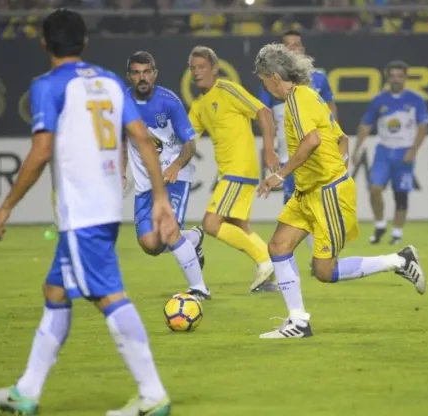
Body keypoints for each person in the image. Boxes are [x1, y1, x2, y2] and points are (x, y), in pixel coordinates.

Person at [0, 9, 173, 416]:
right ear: (84, 43)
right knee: (55, 291)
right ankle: (26, 392)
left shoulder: (47, 86)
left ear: (44, 43)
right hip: (103, 206)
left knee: (107, 296)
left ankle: (153, 395)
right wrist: (161, 199)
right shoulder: (110, 81)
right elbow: (143, 140)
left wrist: (5, 207)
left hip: (82, 214)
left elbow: (42, 151)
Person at [254, 44, 426, 339]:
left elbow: (312, 140)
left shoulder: (297, 100)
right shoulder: (309, 97)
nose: (264, 86)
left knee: (324, 272)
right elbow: (341, 137)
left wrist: (280, 174)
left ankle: (400, 260)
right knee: (278, 247)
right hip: (309, 191)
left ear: (274, 76)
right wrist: (338, 164)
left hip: (327, 194)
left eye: (263, 80)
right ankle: (298, 321)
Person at [187, 45, 279, 293]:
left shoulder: (227, 89)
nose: (196, 72)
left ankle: (264, 260)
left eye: (202, 67)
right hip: (228, 171)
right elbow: (187, 141)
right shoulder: (198, 105)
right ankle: (272, 275)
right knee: (239, 227)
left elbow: (263, 111)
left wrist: (269, 150)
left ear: (214, 69)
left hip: (239, 168)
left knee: (211, 224)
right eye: (193, 68)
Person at [124, 50, 211, 300]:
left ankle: (199, 289)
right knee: (151, 245)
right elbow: (121, 139)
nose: (142, 77)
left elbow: (190, 144)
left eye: (146, 72)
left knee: (167, 230)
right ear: (130, 76)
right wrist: (120, 172)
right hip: (144, 187)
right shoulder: (122, 103)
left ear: (154, 74)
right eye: (137, 73)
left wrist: (175, 166)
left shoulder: (169, 101)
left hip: (175, 177)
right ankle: (193, 238)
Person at [257, 29, 338, 256]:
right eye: (288, 45)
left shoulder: (318, 79)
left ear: (303, 49)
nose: (294, 49)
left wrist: (336, 145)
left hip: (316, 155)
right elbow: (265, 114)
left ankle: (314, 257)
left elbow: (331, 112)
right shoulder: (272, 82)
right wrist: (270, 149)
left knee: (305, 208)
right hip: (290, 155)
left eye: (297, 45)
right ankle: (315, 257)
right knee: (297, 207)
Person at [352, 60, 428, 246]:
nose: (396, 80)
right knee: (374, 188)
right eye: (393, 76)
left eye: (399, 76)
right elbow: (365, 125)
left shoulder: (415, 100)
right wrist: (356, 149)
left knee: (401, 194)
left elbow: (423, 126)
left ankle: (397, 232)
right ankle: (380, 224)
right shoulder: (379, 100)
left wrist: (413, 150)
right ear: (388, 78)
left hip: (404, 152)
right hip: (384, 151)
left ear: (405, 78)